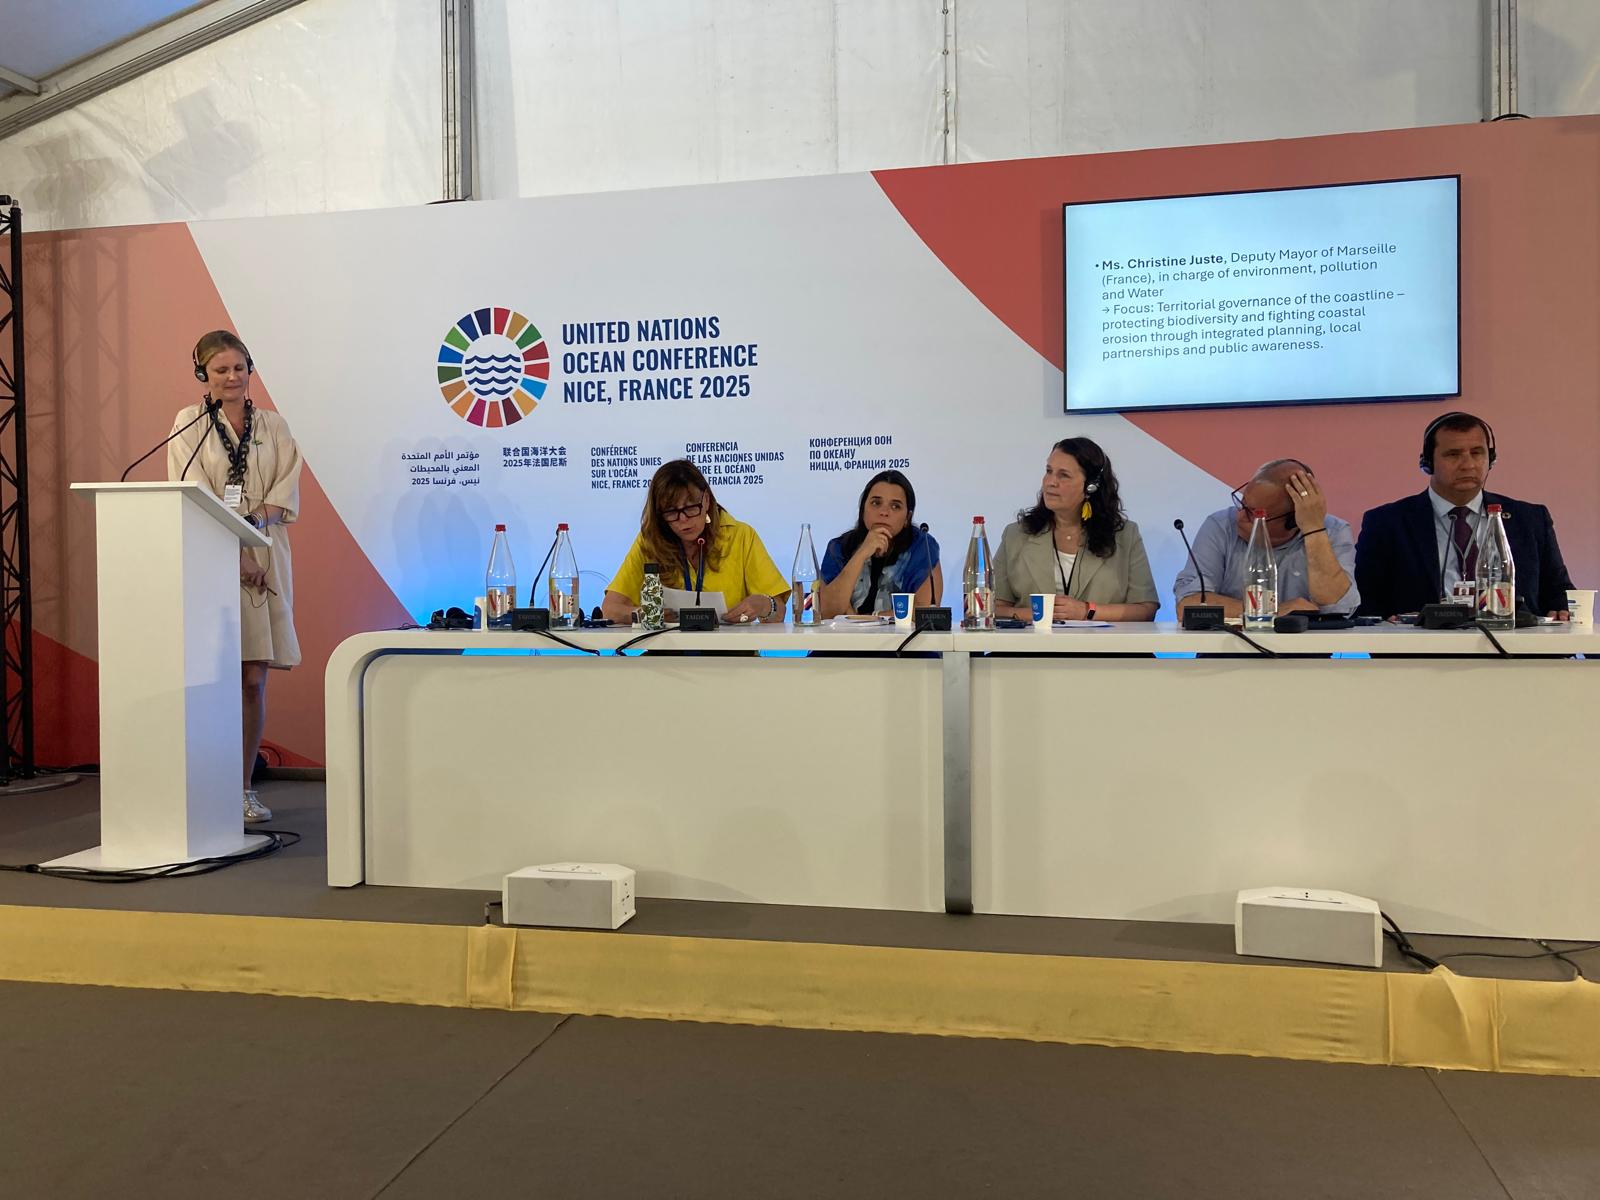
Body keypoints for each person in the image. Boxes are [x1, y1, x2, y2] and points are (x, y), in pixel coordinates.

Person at [167, 330, 302, 825]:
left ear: (250, 371)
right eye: (220, 369)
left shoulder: (273, 424)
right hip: (212, 554)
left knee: (252, 678)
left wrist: (254, 527)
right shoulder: (189, 423)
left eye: (239, 368)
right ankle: (206, 788)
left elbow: (286, 487)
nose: (231, 377)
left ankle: (243, 789)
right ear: (203, 374)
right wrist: (235, 551)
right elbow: (193, 491)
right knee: (214, 675)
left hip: (266, 554)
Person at [1355, 412, 1573, 619]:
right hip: (1422, 642)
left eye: (1477, 453)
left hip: (1512, 641)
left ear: (1491, 459)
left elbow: (1558, 591)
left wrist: (1562, 610)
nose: (1468, 465)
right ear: (1427, 463)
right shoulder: (1386, 523)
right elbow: (1365, 601)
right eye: (1453, 454)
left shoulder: (1530, 519)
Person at [601, 459, 789, 625]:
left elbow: (779, 613)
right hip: (666, 651)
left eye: (690, 508)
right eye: (672, 512)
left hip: (730, 651)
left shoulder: (741, 536)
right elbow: (610, 609)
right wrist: (646, 614)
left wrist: (763, 604)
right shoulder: (650, 541)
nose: (683, 519)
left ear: (706, 500)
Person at [992, 437, 1159, 623]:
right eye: (1049, 471)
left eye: (1063, 475)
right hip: (1034, 641)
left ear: (1091, 486)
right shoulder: (1016, 535)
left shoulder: (1125, 535)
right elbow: (991, 608)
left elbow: (1145, 609)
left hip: (1101, 641)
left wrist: (1087, 611)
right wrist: (1036, 615)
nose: (1050, 482)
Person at [1174, 459, 1358, 618]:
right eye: (1242, 504)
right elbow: (1188, 606)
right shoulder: (1221, 525)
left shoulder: (1333, 531)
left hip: (1307, 647)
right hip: (1230, 646)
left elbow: (1339, 607)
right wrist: (1268, 610)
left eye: (1254, 513)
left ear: (1293, 521)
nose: (1240, 516)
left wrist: (1313, 530)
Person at [817, 470, 942, 618]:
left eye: (895, 506)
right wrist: (861, 553)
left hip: (901, 634)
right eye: (876, 503)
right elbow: (825, 611)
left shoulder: (922, 548)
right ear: (863, 510)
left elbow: (924, 613)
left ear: (907, 518)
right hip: (845, 634)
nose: (884, 512)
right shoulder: (839, 548)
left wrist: (865, 619)